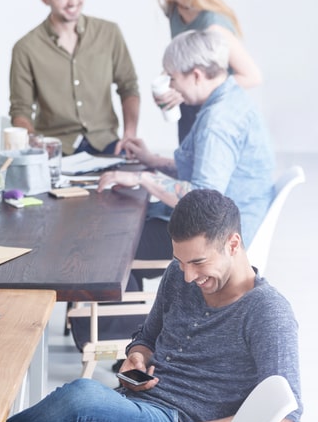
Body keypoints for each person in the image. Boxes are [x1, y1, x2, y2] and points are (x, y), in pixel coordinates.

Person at [0, 189, 302, 422]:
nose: (187, 276)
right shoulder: (178, 275)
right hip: (135, 408)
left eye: (198, 262)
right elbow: (145, 338)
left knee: (80, 398)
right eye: (180, 262)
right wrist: (137, 358)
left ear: (233, 244)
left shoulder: (267, 312)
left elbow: (289, 413)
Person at [98, 29, 274, 262]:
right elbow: (203, 168)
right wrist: (151, 161)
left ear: (197, 75)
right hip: (231, 221)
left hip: (219, 237)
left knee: (113, 240)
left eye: (172, 77)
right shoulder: (231, 97)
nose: (171, 86)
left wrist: (142, 179)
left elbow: (204, 199)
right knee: (125, 230)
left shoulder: (217, 122)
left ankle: (127, 296)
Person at [9, 0, 140, 156]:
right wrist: (37, 148)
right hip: (57, 149)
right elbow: (21, 111)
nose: (73, 1)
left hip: (108, 144)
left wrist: (129, 134)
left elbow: (129, 86)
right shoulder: (26, 48)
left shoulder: (109, 33)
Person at [152, 0, 262, 143]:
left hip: (215, 116)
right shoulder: (176, 13)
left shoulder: (213, 24)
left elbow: (252, 76)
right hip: (190, 111)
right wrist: (168, 86)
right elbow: (183, 62)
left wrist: (191, 90)